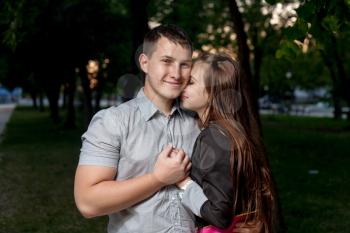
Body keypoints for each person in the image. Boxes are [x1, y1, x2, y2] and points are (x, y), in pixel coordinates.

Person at [74, 24, 261, 233]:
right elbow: (88, 204)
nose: (176, 74)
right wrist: (158, 179)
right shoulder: (112, 122)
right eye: (167, 61)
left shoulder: (202, 123)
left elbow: (225, 184)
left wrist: (242, 220)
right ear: (145, 62)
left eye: (185, 65)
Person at [176, 53, 281, 233]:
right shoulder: (231, 130)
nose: (182, 85)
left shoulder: (213, 138)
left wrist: (183, 182)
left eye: (191, 82)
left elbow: (219, 215)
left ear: (214, 91)